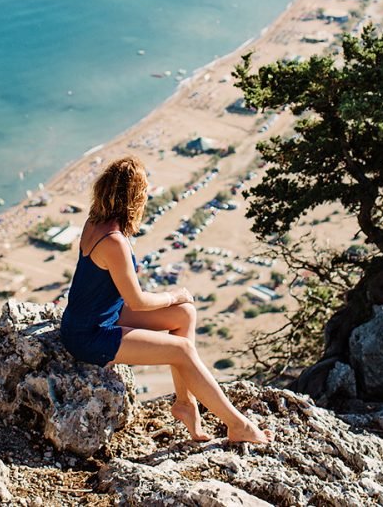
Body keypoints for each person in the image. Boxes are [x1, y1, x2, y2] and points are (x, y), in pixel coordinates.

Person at [60, 155, 270, 444]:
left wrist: (177, 302)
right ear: (132, 197)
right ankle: (239, 426)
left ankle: (185, 403)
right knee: (182, 349)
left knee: (184, 314)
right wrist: (174, 294)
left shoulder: (94, 222)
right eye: (144, 191)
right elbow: (137, 301)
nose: (147, 197)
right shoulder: (114, 241)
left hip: (98, 315)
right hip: (88, 335)